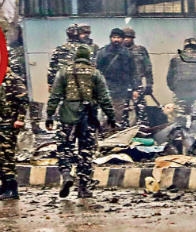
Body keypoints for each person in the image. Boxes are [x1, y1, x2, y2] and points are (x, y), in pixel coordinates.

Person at [45, 44, 117, 199]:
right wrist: (111, 117)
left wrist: (49, 115)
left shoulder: (64, 72)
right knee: (86, 152)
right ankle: (83, 188)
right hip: (88, 117)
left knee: (64, 147)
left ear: (75, 57)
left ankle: (66, 175)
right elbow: (104, 98)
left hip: (67, 116)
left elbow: (55, 95)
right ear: (89, 57)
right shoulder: (95, 73)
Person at [96, 28, 137, 128]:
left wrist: (135, 88)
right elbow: (97, 71)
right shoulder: (103, 52)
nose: (116, 40)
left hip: (121, 88)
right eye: (114, 37)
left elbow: (132, 72)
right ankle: (104, 131)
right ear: (110, 38)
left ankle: (113, 131)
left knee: (118, 113)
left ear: (122, 39)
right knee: (104, 112)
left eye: (118, 37)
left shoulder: (127, 54)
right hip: (106, 87)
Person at [167, 38, 196, 126]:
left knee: (180, 120)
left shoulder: (176, 57)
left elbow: (169, 77)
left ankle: (180, 133)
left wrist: (175, 89)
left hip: (180, 93)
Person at [0, 69, 29, 200]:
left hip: (9, 123)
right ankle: (4, 185)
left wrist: (20, 119)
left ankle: (11, 188)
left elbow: (24, 100)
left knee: (7, 156)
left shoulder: (13, 79)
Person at [122, 27, 153, 126]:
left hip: (137, 84)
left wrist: (149, 84)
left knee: (141, 111)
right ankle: (123, 130)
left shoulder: (140, 50)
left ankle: (143, 129)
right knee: (122, 112)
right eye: (125, 37)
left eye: (129, 37)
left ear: (133, 38)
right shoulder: (117, 52)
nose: (126, 39)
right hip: (121, 86)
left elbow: (148, 68)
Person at [47, 24, 82, 90]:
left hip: (63, 83)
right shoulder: (86, 49)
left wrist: (50, 84)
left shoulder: (59, 49)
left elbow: (52, 68)